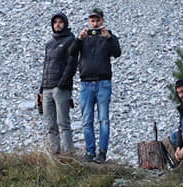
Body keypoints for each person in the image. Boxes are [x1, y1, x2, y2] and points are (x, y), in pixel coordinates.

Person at [71, 7, 121, 163]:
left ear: (102, 21)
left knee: (103, 119)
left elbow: (117, 53)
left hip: (103, 83)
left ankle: (102, 152)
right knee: (87, 120)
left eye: (97, 20)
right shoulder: (84, 37)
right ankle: (90, 152)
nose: (94, 24)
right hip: (86, 83)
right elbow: (71, 52)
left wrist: (109, 38)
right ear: (89, 21)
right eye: (92, 21)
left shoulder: (108, 36)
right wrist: (79, 39)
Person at [37, 12, 78, 155]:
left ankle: (68, 154)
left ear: (65, 24)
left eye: (60, 22)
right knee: (50, 125)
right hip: (47, 88)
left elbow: (72, 65)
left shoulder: (70, 40)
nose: (58, 24)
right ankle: (54, 154)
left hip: (61, 89)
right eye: (55, 22)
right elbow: (45, 67)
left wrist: (62, 84)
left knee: (63, 123)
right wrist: (41, 90)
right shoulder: (49, 44)